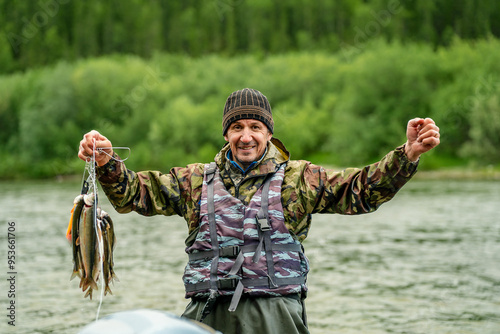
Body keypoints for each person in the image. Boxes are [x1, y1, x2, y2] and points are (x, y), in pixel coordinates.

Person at [78, 88, 440, 334]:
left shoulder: (301, 179)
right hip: (209, 312)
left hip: (276, 315)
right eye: (237, 127)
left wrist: (406, 155)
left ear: (268, 133)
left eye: (255, 127)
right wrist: (107, 162)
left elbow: (361, 191)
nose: (245, 136)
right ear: (226, 134)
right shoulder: (193, 180)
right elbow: (136, 194)